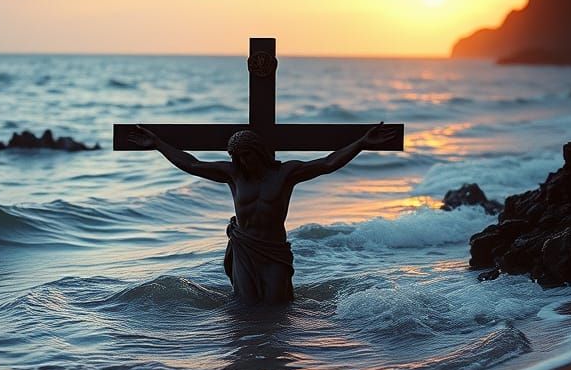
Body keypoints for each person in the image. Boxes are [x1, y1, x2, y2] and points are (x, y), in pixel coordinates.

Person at [128, 122, 398, 304]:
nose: (243, 161)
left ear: (258, 152)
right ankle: (249, 350)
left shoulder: (285, 174)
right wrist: (158, 144)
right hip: (245, 248)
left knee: (277, 306)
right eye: (237, 157)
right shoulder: (233, 175)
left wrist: (362, 143)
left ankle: (275, 351)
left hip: (273, 250)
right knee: (246, 306)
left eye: (247, 155)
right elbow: (191, 163)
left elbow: (328, 163)